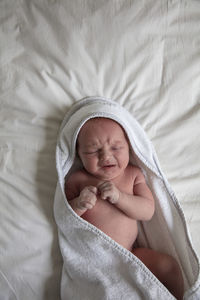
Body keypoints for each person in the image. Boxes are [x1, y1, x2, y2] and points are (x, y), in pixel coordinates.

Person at [65, 117, 184, 300]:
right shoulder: (77, 180)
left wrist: (120, 197)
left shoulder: (132, 175)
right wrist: (79, 204)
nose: (105, 156)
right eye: (93, 150)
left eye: (115, 147)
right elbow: (65, 219)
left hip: (129, 253)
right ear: (79, 154)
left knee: (169, 267)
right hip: (95, 259)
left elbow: (147, 211)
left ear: (129, 145)